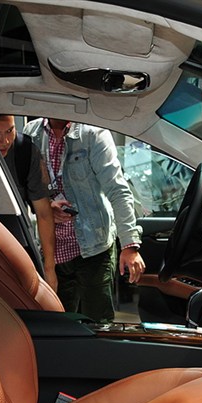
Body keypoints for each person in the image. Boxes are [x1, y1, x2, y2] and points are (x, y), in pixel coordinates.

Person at [22, 118, 145, 322]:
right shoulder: (31, 133)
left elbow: (118, 190)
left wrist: (129, 245)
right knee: (58, 324)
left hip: (93, 245)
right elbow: (25, 188)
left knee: (96, 323)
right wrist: (46, 208)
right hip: (51, 249)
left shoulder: (92, 134)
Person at [0, 115, 57, 292]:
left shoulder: (25, 151)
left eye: (10, 131)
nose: (5, 141)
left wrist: (49, 268)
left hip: (16, 242)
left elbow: (44, 213)